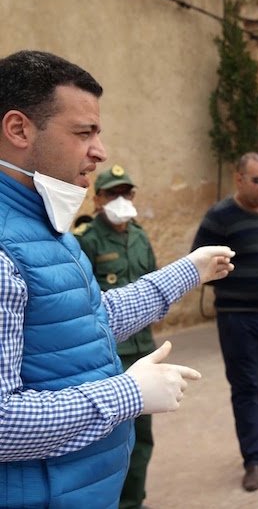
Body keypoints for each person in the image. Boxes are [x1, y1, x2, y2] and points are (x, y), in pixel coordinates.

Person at [0, 49, 234, 508]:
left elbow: (87, 318)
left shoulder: (45, 225)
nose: (100, 151)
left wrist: (187, 272)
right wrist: (126, 393)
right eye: (83, 133)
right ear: (19, 129)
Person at [192, 152, 258, 493]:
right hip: (238, 318)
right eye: (257, 180)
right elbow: (200, 263)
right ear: (239, 179)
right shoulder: (220, 217)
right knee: (246, 387)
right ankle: (252, 458)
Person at [75, 164, 157, 509]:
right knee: (111, 440)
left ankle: (135, 501)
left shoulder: (139, 236)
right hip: (108, 356)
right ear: (98, 199)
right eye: (112, 194)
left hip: (143, 351)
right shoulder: (87, 240)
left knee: (142, 439)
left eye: (126, 193)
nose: (121, 200)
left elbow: (154, 284)